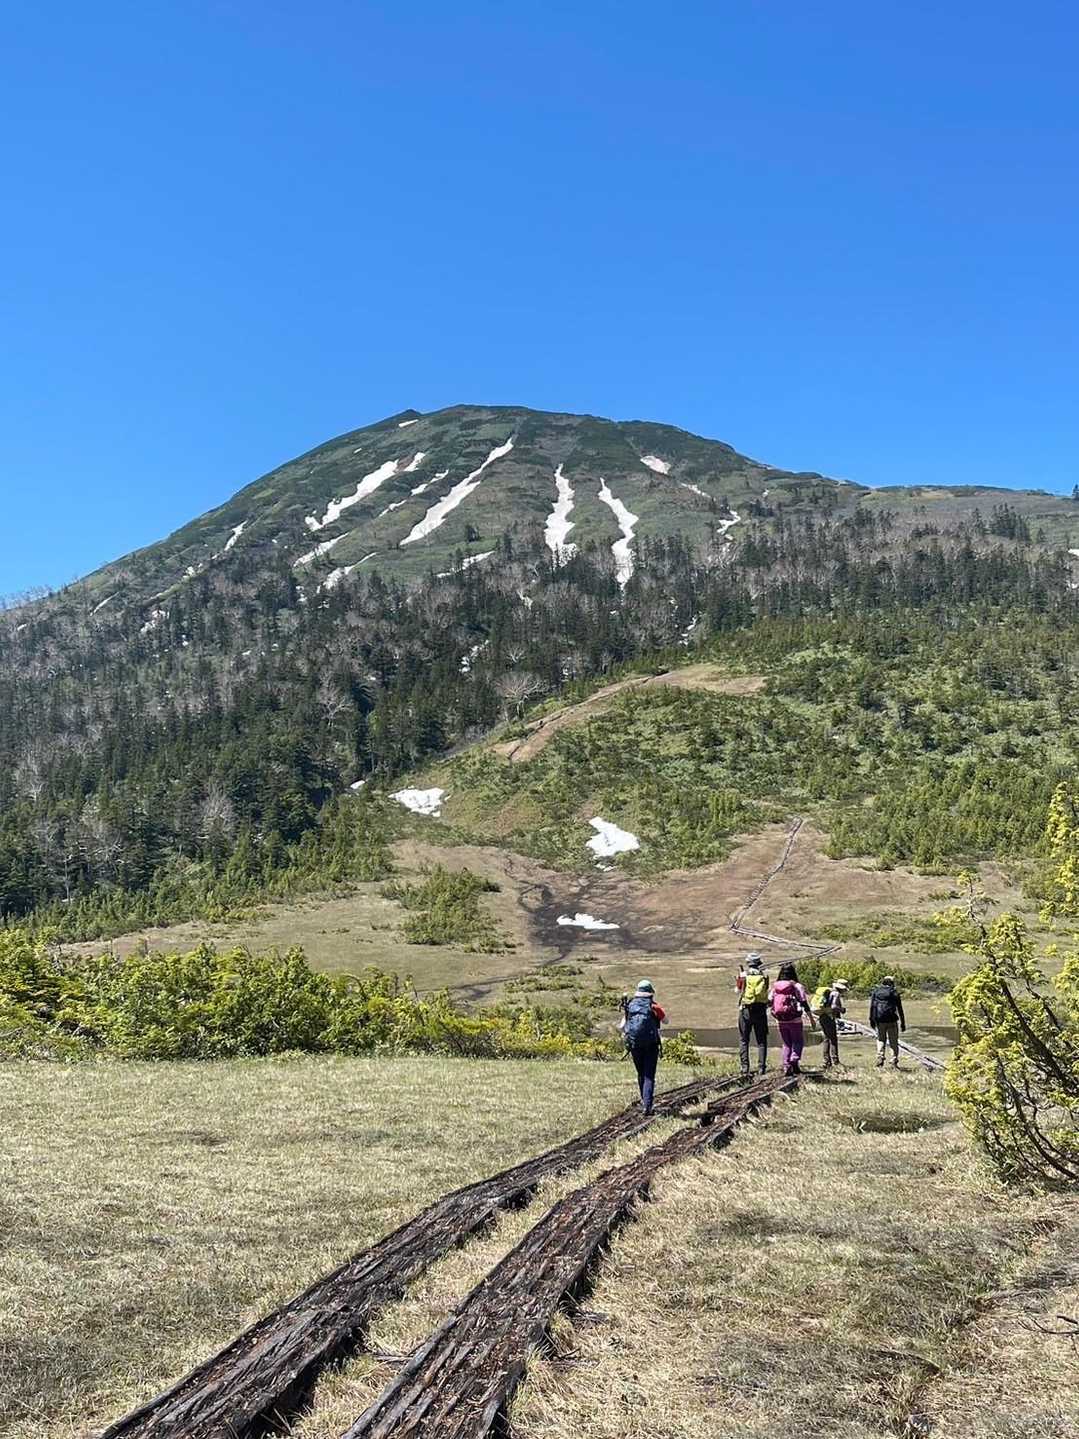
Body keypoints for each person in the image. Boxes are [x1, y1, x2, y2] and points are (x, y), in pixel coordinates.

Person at [619, 979, 666, 1113]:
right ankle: (648, 1105)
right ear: (650, 992)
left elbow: (622, 1026)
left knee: (641, 1073)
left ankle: (644, 1101)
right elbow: (666, 1021)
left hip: (635, 1045)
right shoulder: (654, 1006)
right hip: (651, 1045)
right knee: (649, 1075)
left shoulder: (631, 1005)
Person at [770, 962, 815, 1076]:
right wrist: (811, 1018)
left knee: (786, 1043)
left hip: (781, 1020)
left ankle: (787, 1065)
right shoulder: (797, 986)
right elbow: (804, 1003)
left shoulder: (776, 986)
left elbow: (770, 1001)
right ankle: (794, 1060)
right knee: (797, 1041)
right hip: (795, 1020)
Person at [735, 952, 770, 1077]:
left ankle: (745, 1068)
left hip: (746, 1010)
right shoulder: (764, 976)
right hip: (760, 1010)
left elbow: (737, 991)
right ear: (759, 963)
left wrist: (739, 980)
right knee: (761, 1040)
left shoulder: (743, 976)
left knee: (744, 1039)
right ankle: (761, 1068)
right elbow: (766, 991)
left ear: (748, 963)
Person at [869, 975, 906, 1069]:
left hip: (879, 1020)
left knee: (881, 1039)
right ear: (892, 983)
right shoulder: (894, 993)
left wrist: (871, 1020)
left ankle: (880, 1058)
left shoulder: (876, 991)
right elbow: (900, 1009)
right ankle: (893, 1061)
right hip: (892, 1020)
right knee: (893, 1041)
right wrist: (903, 1023)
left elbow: (872, 1006)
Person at [812, 978, 849, 1068]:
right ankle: (835, 1061)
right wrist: (842, 1010)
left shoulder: (830, 992)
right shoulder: (836, 994)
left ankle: (826, 1061)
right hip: (829, 1017)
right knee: (833, 1039)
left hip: (822, 1016)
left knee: (826, 1039)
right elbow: (834, 1006)